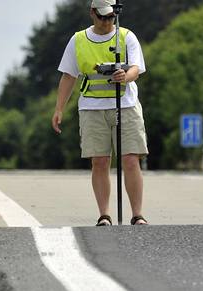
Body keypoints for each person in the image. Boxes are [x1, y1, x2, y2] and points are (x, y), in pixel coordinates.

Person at [51, 0, 149, 226]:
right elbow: (68, 76)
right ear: (92, 14)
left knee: (131, 159)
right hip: (92, 108)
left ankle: (137, 214)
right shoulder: (78, 40)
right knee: (100, 161)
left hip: (125, 105)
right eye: (103, 17)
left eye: (110, 17)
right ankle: (104, 214)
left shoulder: (126, 36)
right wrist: (59, 108)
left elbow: (136, 67)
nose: (107, 22)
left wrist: (126, 75)